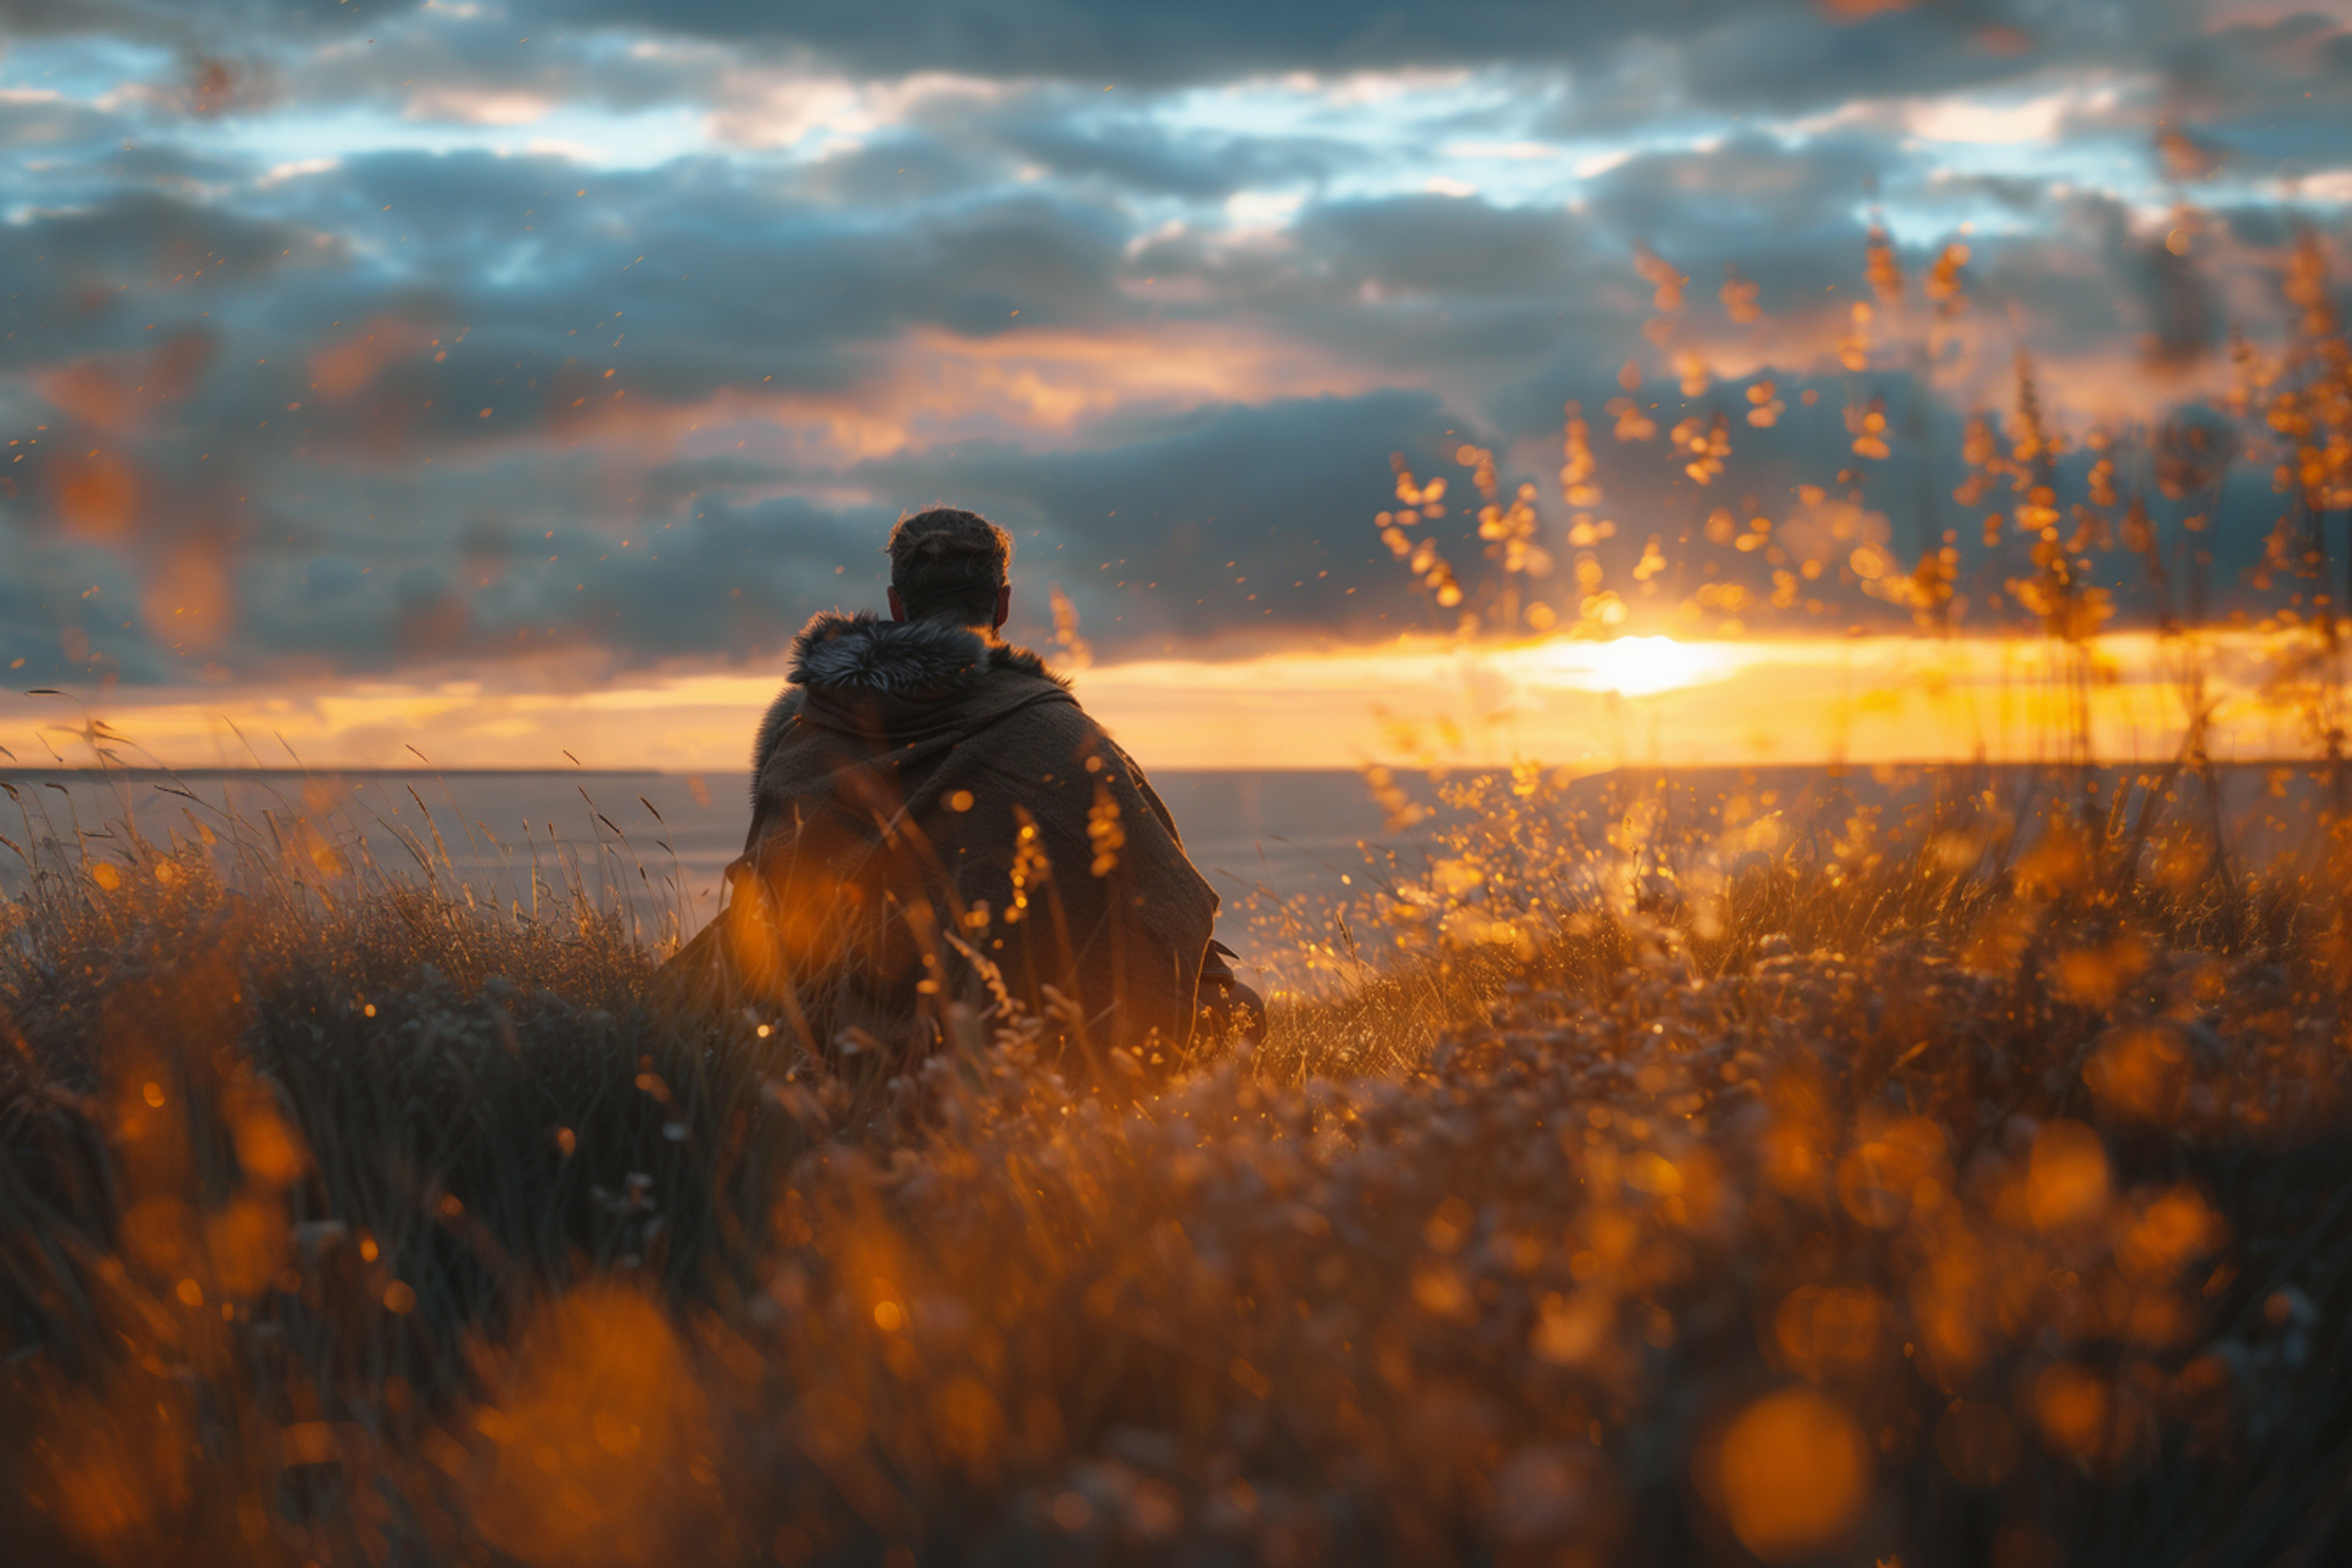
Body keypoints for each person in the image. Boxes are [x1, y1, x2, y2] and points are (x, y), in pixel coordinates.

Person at [667, 506, 1259, 1074]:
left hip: (824, 1040)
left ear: (897, 605)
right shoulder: (1060, 736)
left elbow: (768, 903)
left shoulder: (804, 734)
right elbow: (1163, 904)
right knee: (1241, 1012)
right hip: (1013, 1050)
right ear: (1002, 604)